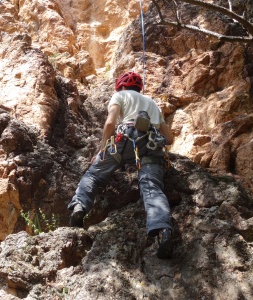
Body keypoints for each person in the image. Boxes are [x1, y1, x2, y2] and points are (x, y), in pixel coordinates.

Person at [68, 71, 174, 259]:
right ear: (139, 88)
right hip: (150, 146)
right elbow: (169, 138)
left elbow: (110, 123)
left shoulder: (120, 96)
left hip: (124, 142)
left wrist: (102, 149)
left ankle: (79, 208)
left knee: (94, 175)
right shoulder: (153, 104)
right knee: (151, 187)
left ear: (122, 86)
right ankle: (163, 230)